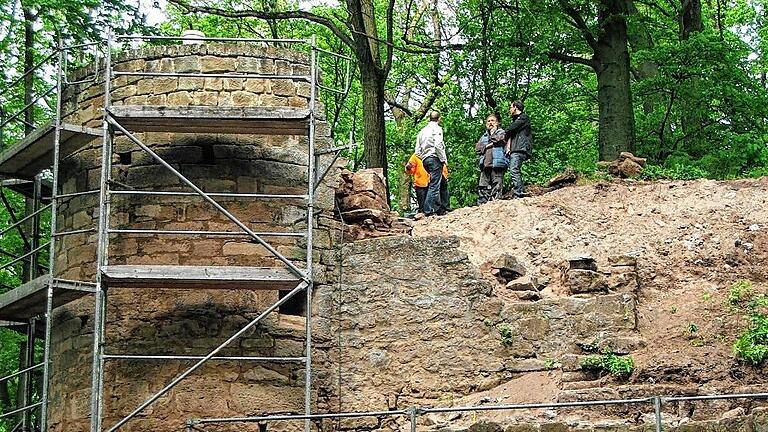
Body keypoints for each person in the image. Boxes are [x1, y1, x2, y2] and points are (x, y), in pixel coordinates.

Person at [415, 110, 450, 216]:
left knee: (442, 182)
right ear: (439, 119)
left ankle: (443, 207)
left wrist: (424, 158)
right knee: (434, 185)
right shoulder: (437, 129)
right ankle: (428, 210)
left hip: (425, 160)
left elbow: (417, 151)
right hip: (434, 158)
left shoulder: (422, 131)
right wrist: (443, 159)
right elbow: (438, 144)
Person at [475, 112, 508, 204]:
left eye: (492, 121)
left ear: (497, 123)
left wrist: (493, 135)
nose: (490, 123)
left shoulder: (501, 132)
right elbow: (478, 149)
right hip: (485, 163)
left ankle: (496, 204)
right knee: (483, 186)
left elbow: (499, 139)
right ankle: (482, 205)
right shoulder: (484, 136)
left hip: (497, 163)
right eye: (488, 121)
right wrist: (487, 146)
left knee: (497, 185)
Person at [504, 100, 533, 198]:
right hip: (516, 148)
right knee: (514, 169)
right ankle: (520, 191)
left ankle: (518, 194)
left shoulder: (523, 117)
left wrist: (505, 133)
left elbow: (510, 129)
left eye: (511, 107)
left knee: (514, 169)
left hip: (520, 148)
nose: (509, 109)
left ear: (515, 107)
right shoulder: (517, 119)